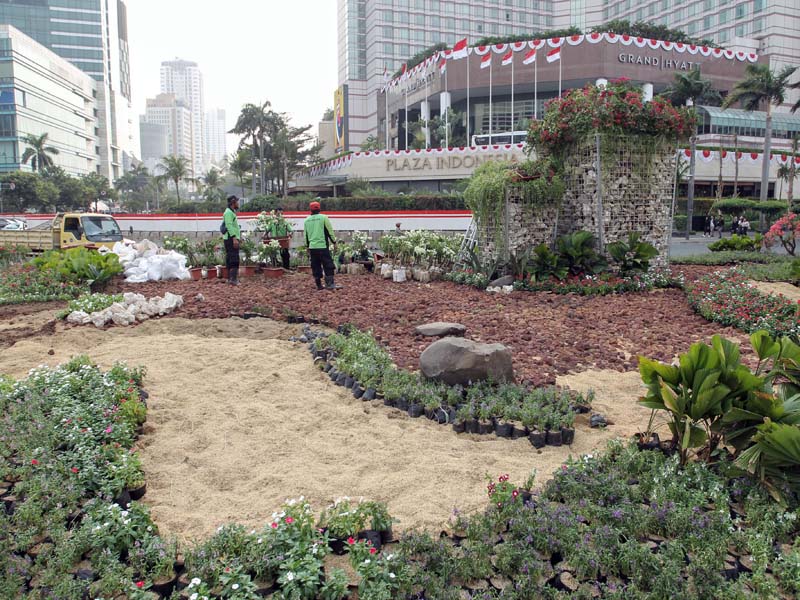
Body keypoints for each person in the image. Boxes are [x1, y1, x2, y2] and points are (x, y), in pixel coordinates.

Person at [303, 199, 340, 290]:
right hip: (322, 246)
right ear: (319, 209)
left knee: (315, 265)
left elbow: (306, 235)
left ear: (310, 210)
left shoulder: (306, 220)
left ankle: (319, 285)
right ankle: (329, 284)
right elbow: (329, 231)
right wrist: (334, 242)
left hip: (312, 247)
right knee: (328, 264)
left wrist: (307, 246)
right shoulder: (323, 218)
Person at [222, 195, 241, 285]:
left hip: (231, 237)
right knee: (234, 258)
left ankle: (231, 278)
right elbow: (229, 225)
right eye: (237, 201)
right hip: (230, 238)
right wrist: (234, 238)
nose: (238, 203)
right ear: (233, 203)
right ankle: (233, 279)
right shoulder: (228, 213)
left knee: (231, 257)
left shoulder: (230, 212)